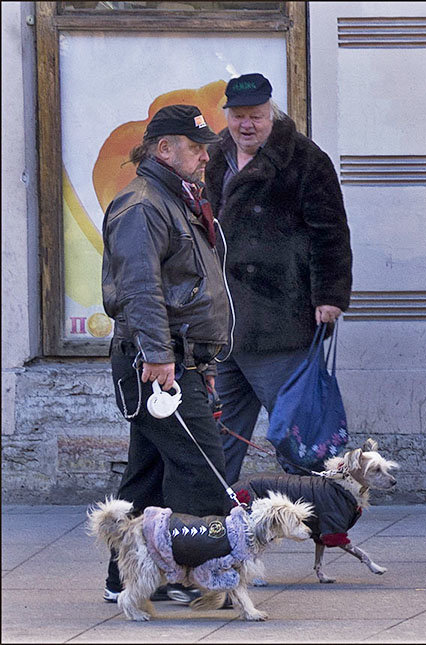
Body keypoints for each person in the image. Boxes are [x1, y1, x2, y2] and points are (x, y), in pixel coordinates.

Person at [100, 104, 234, 604]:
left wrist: (200, 360)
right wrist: (160, 357)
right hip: (155, 361)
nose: (204, 157)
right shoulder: (143, 204)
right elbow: (140, 289)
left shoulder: (172, 197)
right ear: (164, 149)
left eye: (204, 148)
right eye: (195, 147)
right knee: (202, 471)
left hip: (175, 358)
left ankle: (126, 581)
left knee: (149, 476)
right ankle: (194, 576)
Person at [204, 73, 353, 484]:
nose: (246, 125)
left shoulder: (305, 159)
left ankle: (324, 502)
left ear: (272, 113)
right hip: (227, 320)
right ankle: (214, 512)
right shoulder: (216, 157)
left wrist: (330, 295)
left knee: (295, 425)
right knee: (224, 428)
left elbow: (331, 231)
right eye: (238, 116)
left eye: (256, 116)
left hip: (279, 316)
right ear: (228, 116)